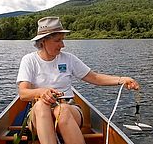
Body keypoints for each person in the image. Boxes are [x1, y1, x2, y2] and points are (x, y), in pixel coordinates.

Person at [16, 16, 139, 144]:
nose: (62, 45)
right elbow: (23, 93)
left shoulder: (68, 59)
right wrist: (41, 92)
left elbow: (94, 77)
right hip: (39, 116)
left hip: (69, 108)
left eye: (62, 40)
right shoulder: (29, 60)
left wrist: (121, 80)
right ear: (43, 41)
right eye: (58, 40)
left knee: (62, 110)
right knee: (41, 105)